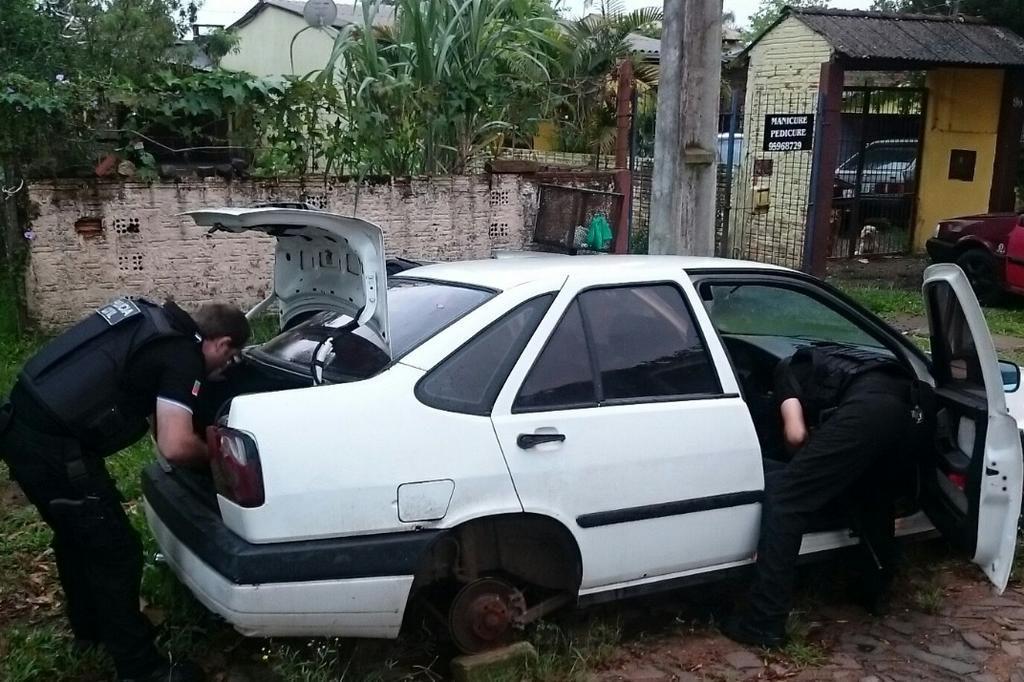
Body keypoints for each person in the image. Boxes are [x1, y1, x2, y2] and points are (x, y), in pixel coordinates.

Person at [0, 297, 250, 682]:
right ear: (222, 344)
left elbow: (154, 415)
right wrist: (216, 459)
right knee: (115, 551)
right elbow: (175, 445)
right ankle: (140, 668)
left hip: (21, 422)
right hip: (55, 447)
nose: (223, 369)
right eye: (229, 359)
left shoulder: (151, 321)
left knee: (76, 537)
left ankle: (93, 632)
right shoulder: (183, 355)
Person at [721, 342, 915, 649]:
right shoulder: (828, 359)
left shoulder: (784, 372)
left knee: (787, 499)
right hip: (908, 407)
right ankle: (873, 592)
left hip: (865, 410)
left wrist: (796, 464)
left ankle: (763, 622)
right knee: (873, 494)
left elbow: (796, 435)